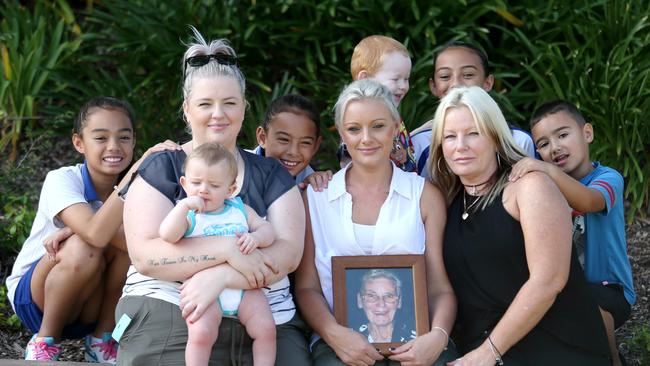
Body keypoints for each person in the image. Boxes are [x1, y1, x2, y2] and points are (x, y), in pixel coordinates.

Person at [115, 27, 308, 366]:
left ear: (244, 108)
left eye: (229, 103)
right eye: (206, 104)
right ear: (187, 109)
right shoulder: (163, 168)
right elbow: (147, 255)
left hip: (264, 315)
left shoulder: (271, 174)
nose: (218, 114)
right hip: (174, 305)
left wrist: (219, 276)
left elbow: (288, 254)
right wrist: (226, 250)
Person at [430, 86, 611, 365]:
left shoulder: (528, 187)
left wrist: (487, 353)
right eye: (450, 136)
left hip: (554, 345)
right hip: (481, 348)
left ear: (494, 135)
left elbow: (548, 281)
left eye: (473, 133)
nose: (460, 145)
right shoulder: (447, 199)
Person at [295, 79, 457, 366]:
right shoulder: (317, 198)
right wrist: (333, 334)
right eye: (354, 129)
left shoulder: (424, 196)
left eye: (378, 126)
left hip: (416, 341)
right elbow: (307, 287)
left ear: (395, 127)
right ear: (342, 133)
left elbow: (439, 287)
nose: (366, 138)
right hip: (338, 345)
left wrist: (439, 336)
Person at [5, 97, 178, 363]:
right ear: (79, 143)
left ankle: (102, 339)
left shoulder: (143, 188)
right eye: (100, 138)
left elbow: (145, 245)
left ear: (133, 142)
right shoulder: (62, 180)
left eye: (123, 137)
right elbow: (95, 234)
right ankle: (44, 342)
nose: (113, 147)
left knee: (130, 246)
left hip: (92, 306)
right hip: (37, 301)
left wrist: (78, 230)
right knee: (86, 245)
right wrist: (136, 172)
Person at [509, 100, 635, 366]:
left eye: (563, 135)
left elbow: (588, 201)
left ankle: (612, 360)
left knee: (588, 306)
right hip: (563, 284)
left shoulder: (607, 178)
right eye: (543, 144)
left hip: (609, 289)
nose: (554, 148)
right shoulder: (544, 189)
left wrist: (548, 171)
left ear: (587, 133)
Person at [158, 142, 276, 366]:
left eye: (213, 185)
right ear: (183, 183)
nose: (203, 190)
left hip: (245, 289)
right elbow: (167, 235)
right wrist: (182, 207)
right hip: (204, 292)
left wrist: (257, 238)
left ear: (230, 190)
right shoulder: (189, 216)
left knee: (266, 329)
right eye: (196, 183)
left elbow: (268, 230)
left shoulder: (240, 209)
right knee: (201, 333)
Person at [410, 41, 536, 176]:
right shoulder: (418, 143)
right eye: (445, 76)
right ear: (433, 86)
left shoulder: (518, 141)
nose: (456, 84)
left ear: (488, 82)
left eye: (468, 75)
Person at [350, 35, 417, 172]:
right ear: (365, 78)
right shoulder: (358, 119)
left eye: (406, 79)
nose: (403, 86)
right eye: (395, 79)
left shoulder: (390, 113)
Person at [253, 93, 332, 189]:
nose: (293, 152)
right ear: (262, 138)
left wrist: (307, 194)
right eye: (284, 139)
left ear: (315, 146)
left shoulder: (311, 185)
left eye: (305, 142)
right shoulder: (237, 170)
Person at [355, 270, 415, 343]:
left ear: (399, 301)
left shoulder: (417, 339)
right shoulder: (349, 338)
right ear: (360, 301)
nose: (381, 304)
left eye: (389, 296)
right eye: (371, 296)